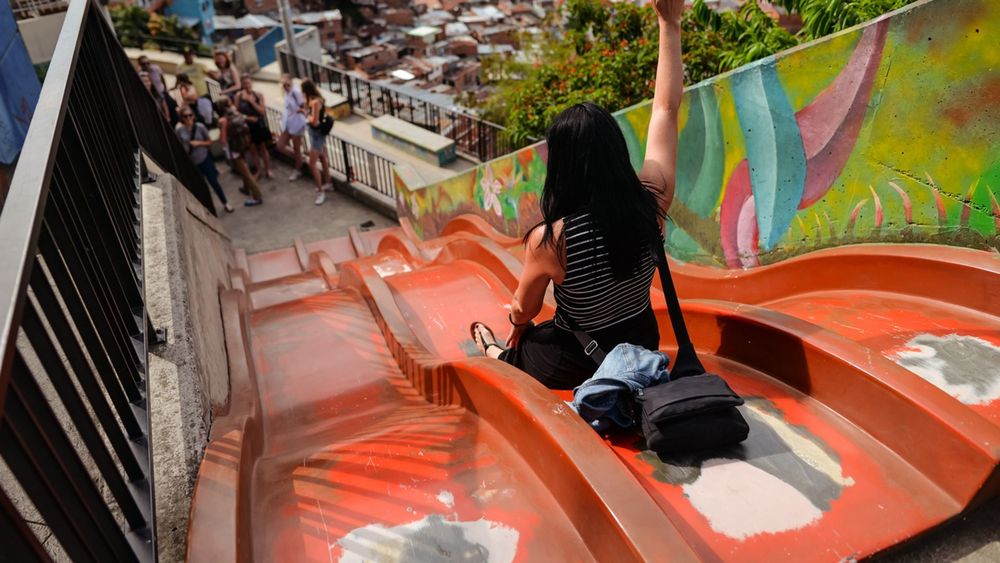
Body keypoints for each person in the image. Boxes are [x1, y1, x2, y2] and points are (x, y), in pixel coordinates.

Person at [470, 0, 683, 390]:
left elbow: (524, 307)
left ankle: (494, 351)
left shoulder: (552, 239)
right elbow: (666, 111)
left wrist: (518, 323)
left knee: (524, 345)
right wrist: (670, 23)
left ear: (561, 166)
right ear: (615, 150)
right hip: (641, 343)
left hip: (577, 362)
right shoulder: (652, 199)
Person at [175, 108, 234, 213]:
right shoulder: (180, 131)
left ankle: (225, 203)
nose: (188, 118)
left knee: (214, 182)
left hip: (205, 158)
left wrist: (199, 143)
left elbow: (210, 142)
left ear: (193, 116)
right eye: (185, 116)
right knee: (200, 187)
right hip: (192, 162)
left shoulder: (200, 127)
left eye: (190, 115)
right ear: (182, 118)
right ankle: (207, 209)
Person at [216, 98, 263, 207]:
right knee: (243, 170)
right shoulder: (236, 113)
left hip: (233, 150)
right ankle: (246, 188)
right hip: (242, 146)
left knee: (246, 173)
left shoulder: (223, 120)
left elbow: (222, 140)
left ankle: (257, 197)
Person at [302, 79, 333, 206]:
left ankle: (321, 192)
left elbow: (314, 121)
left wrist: (305, 115)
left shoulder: (315, 102)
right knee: (323, 158)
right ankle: (328, 183)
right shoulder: (312, 100)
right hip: (315, 134)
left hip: (317, 136)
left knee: (312, 163)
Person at [235, 75, 272, 180]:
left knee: (263, 148)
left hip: (259, 125)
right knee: (253, 149)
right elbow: (236, 112)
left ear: (251, 83)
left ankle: (267, 170)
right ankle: (258, 170)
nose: (247, 85)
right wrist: (247, 118)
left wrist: (252, 102)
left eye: (248, 83)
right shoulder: (238, 96)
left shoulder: (258, 95)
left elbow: (262, 111)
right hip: (247, 126)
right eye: (244, 84)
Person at [276, 74, 308, 181]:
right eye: (284, 85)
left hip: (297, 123)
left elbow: (304, 106)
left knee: (297, 148)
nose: (286, 86)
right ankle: (300, 159)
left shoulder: (296, 92)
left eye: (287, 84)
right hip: (288, 122)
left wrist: (299, 111)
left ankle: (298, 169)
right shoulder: (286, 93)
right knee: (280, 145)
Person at [176, 48, 214, 124]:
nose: (188, 57)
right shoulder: (180, 67)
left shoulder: (200, 65)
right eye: (186, 55)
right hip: (189, 98)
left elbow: (212, 75)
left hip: (202, 95)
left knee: (205, 114)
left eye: (190, 55)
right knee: (190, 116)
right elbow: (178, 81)